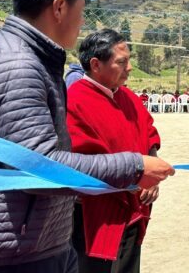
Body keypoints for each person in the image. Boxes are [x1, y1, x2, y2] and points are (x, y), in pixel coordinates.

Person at [0, 0, 174, 273]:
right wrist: (135, 166)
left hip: (31, 240)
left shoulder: (31, 60)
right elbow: (40, 167)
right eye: (81, 11)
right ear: (59, 8)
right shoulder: (16, 68)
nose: (82, 22)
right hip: (14, 253)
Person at [67, 29, 163, 273]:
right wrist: (136, 174)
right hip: (95, 218)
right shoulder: (75, 100)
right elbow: (81, 161)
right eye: (122, 62)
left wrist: (151, 172)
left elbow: (149, 133)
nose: (129, 68)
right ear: (96, 64)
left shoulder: (128, 96)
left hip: (134, 209)